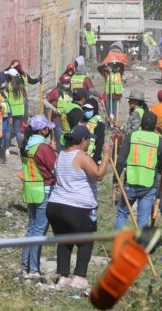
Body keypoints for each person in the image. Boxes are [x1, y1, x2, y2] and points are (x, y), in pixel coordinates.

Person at [46, 123, 113, 289]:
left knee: (64, 240)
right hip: (77, 206)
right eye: (88, 140)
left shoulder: (61, 154)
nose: (89, 143)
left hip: (56, 205)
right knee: (85, 241)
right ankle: (80, 277)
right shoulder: (81, 156)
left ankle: (63, 276)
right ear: (83, 141)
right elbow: (98, 174)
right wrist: (106, 156)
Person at [114, 110, 162, 230]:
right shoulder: (160, 141)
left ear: (141, 123)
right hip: (148, 187)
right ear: (155, 126)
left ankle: (117, 246)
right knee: (142, 220)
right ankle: (139, 246)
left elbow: (120, 161)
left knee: (122, 214)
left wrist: (115, 179)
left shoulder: (131, 137)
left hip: (130, 183)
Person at [19, 114, 57, 280]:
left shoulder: (26, 146)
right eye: (47, 127)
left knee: (31, 230)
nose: (49, 130)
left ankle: (25, 268)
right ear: (43, 129)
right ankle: (34, 269)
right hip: (44, 191)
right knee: (39, 232)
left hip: (30, 191)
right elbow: (54, 169)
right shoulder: (43, 148)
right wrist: (52, 150)